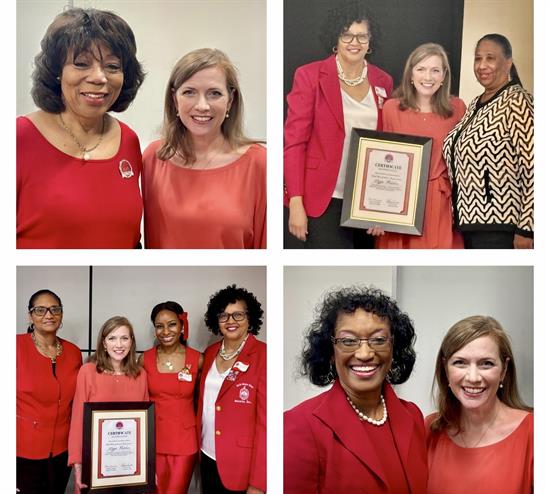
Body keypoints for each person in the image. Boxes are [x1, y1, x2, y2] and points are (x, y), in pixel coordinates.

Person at [17, 8, 145, 249]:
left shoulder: (129, 140)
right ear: (57, 73)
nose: (99, 77)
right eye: (82, 63)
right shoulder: (18, 138)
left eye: (112, 66)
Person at [284, 286, 427, 493]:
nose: (364, 353)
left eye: (378, 340)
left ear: (393, 348)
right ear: (331, 351)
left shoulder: (412, 416)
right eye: (349, 341)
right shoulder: (299, 426)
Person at [284, 1, 393, 248]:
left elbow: (385, 145)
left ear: (370, 39)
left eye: (361, 36)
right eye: (347, 35)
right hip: (323, 198)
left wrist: (382, 207)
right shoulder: (309, 76)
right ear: (336, 37)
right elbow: (294, 144)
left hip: (365, 202)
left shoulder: (383, 81)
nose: (355, 42)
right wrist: (296, 202)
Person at [142, 48, 266, 249]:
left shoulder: (259, 163)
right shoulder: (154, 158)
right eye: (189, 92)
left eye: (214, 94)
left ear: (230, 100)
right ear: (175, 99)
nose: (202, 106)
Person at [443, 34, 533, 249]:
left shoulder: (518, 101)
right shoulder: (475, 104)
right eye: (477, 58)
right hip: (471, 226)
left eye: (490, 58)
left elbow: (534, 167)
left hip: (503, 227)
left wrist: (527, 228)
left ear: (508, 62)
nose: (482, 65)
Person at [426, 316, 533, 493]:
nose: (473, 378)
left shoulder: (534, 432)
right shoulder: (429, 429)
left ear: (504, 369)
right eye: (460, 362)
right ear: (445, 368)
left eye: (486, 364)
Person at [374, 43, 466, 249]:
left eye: (435, 70)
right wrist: (376, 212)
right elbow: (380, 163)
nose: (428, 77)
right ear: (411, 74)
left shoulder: (457, 108)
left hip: (441, 203)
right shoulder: (391, 109)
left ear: (444, 76)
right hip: (400, 204)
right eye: (421, 69)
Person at [197, 285, 266, 493]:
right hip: (207, 455)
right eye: (224, 316)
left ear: (250, 318)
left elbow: (266, 425)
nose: (230, 321)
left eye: (238, 315)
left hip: (241, 465)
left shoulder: (263, 355)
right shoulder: (209, 353)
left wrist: (259, 483)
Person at [68, 316, 148, 493]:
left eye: (124, 338)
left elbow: (144, 427)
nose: (118, 345)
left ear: (131, 342)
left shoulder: (140, 375)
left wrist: (147, 467)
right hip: (94, 465)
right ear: (103, 343)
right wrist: (78, 466)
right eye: (112, 338)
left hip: (130, 468)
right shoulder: (87, 372)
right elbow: (77, 421)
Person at [17, 289, 82, 494]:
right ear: (30, 315)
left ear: (61, 314)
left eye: (55, 309)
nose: (48, 315)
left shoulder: (73, 352)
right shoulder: (14, 346)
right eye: (40, 310)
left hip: (62, 452)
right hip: (21, 450)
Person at [141, 301, 204, 494]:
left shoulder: (198, 359)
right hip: (152, 440)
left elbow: (203, 402)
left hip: (184, 441)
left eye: (172, 324)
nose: (165, 331)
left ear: (182, 325)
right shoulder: (145, 359)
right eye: (159, 326)